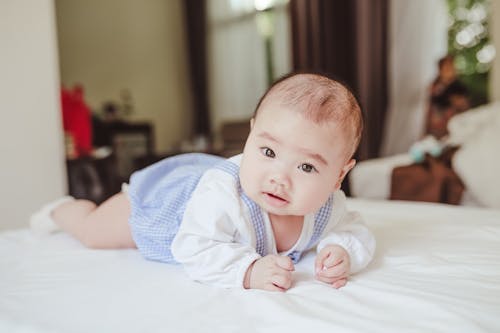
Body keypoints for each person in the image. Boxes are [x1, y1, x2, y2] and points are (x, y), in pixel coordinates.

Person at [31, 72, 376, 291]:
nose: (279, 177)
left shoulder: (329, 207)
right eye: (268, 152)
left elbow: (355, 230)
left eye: (306, 168)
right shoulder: (222, 194)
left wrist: (343, 250)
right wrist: (247, 270)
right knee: (93, 232)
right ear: (252, 134)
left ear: (339, 176)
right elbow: (193, 247)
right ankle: (64, 210)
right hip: (169, 208)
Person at [426, 55, 470, 139]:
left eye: (451, 67)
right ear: (440, 69)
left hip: (454, 126)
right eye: (446, 67)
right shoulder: (435, 86)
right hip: (435, 128)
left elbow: (463, 107)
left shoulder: (459, 87)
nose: (450, 70)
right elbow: (430, 109)